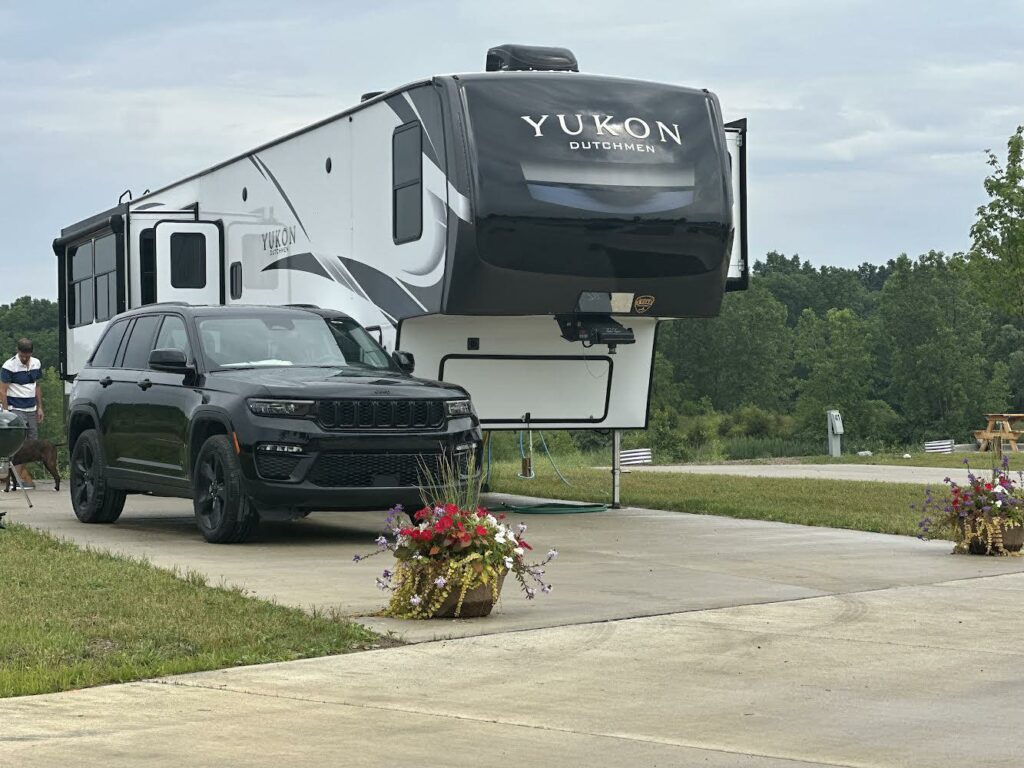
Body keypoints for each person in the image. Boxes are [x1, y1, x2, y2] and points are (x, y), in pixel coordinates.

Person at [0, 338, 44, 489]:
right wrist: (6, 413)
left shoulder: (36, 363)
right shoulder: (9, 366)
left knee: (31, 445)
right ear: (18, 352)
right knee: (17, 443)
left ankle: (17, 477)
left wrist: (40, 407)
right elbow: (3, 391)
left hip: (31, 407)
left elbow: (37, 386)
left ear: (31, 353)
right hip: (15, 408)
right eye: (22, 356)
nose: (25, 358)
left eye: (27, 356)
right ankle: (14, 479)